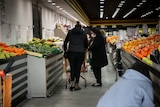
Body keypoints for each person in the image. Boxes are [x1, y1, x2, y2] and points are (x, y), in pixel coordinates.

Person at [63, 21, 88, 91]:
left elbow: (65, 42)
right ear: (80, 27)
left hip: (71, 52)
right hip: (80, 53)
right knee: (78, 68)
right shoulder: (83, 33)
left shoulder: (70, 32)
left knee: (72, 67)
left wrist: (65, 50)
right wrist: (84, 48)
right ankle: (77, 84)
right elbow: (86, 44)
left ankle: (72, 83)